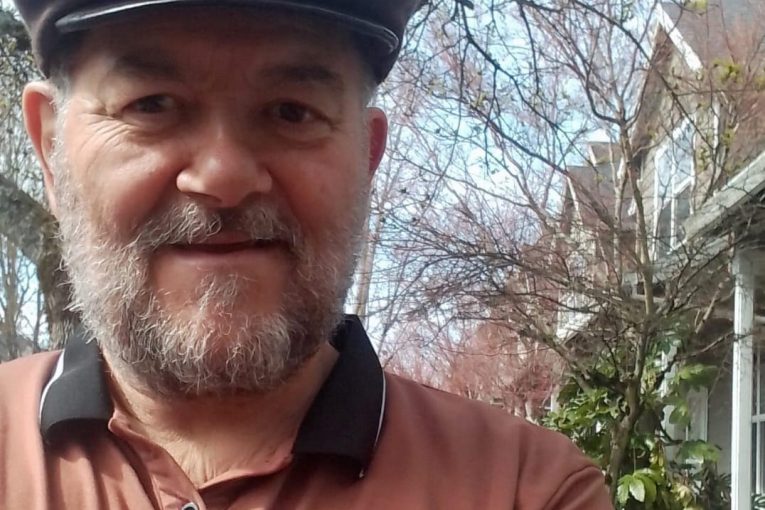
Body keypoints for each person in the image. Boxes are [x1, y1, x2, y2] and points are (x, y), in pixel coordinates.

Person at [0, 0, 612, 508]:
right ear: (51, 149)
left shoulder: (525, 490)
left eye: (291, 111)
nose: (223, 176)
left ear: (367, 161)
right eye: (151, 104)